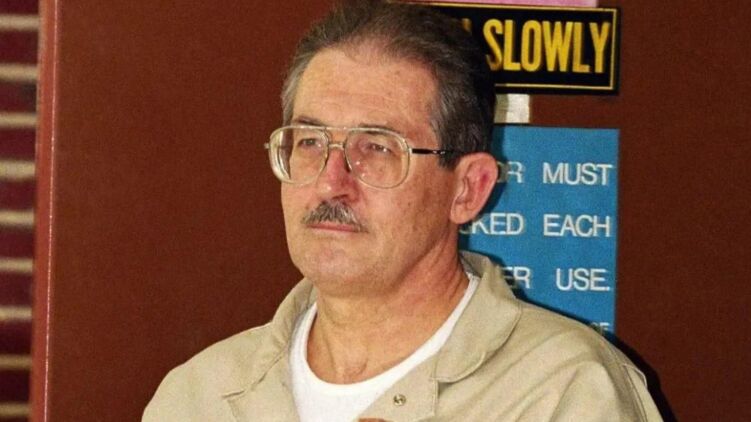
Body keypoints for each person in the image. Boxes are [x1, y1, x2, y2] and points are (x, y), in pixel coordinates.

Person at [144, 1, 662, 420]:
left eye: (377, 147)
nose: (331, 182)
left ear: (468, 190)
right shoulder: (200, 396)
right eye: (309, 142)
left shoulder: (564, 392)